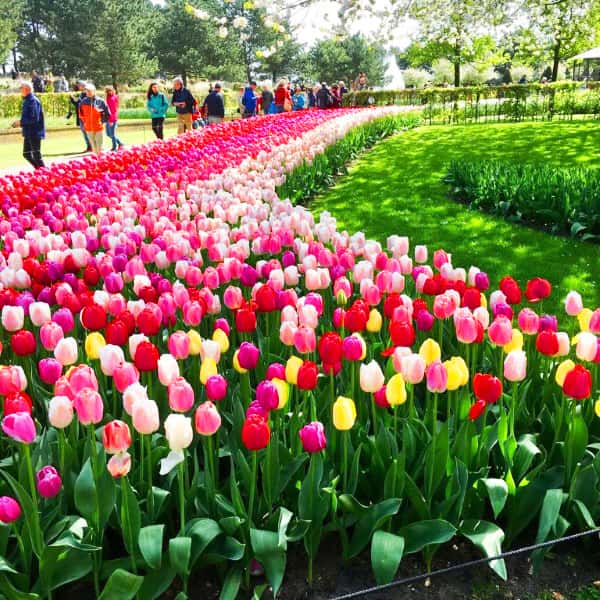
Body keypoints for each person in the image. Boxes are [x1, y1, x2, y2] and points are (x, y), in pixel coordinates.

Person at [13, 81, 45, 169]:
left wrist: (20, 122)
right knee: (26, 154)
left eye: (21, 88)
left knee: (36, 155)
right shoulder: (27, 100)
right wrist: (21, 122)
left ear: (27, 89)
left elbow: (34, 118)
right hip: (29, 132)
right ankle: (40, 171)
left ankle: (45, 173)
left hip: (34, 132)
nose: (20, 90)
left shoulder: (32, 100)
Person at [78, 83, 109, 154]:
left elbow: (107, 113)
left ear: (94, 91)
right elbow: (81, 115)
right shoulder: (83, 102)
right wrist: (85, 123)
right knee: (94, 148)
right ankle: (97, 162)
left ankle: (102, 161)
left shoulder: (101, 101)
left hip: (99, 127)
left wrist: (102, 121)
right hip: (89, 128)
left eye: (89, 91)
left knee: (100, 147)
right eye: (87, 91)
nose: (88, 92)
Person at [69, 81, 92, 152]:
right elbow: (77, 103)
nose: (78, 86)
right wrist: (71, 98)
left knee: (89, 132)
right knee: (84, 132)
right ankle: (89, 146)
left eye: (79, 85)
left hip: (87, 116)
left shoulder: (88, 94)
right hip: (81, 116)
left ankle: (93, 145)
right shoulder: (82, 94)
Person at [105, 86, 124, 151]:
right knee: (108, 134)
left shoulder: (113, 98)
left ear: (113, 90)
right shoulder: (108, 98)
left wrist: (111, 120)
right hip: (108, 118)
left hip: (112, 118)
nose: (110, 92)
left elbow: (113, 110)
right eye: (108, 91)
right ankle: (120, 143)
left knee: (112, 134)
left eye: (111, 90)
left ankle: (114, 147)